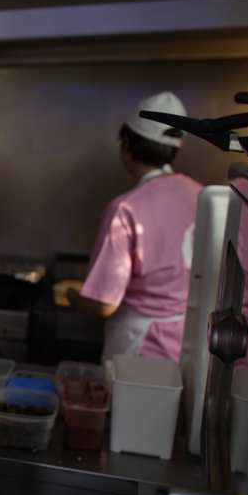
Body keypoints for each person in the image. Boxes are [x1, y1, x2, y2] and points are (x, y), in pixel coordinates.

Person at [67, 92, 203, 364]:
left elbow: (102, 304)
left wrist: (72, 295)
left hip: (141, 350)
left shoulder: (126, 208)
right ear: (179, 148)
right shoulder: (203, 196)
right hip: (193, 345)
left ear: (126, 143)